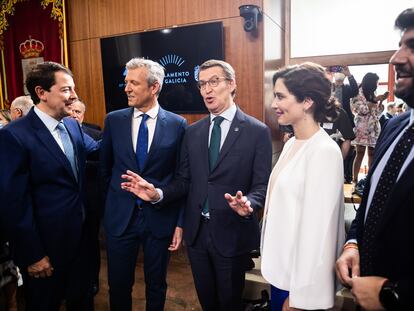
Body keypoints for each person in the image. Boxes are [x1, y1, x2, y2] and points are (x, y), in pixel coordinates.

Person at [121, 59, 272, 310]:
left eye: (214, 82)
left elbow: (262, 186)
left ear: (232, 84)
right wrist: (157, 193)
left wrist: (249, 203)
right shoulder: (193, 132)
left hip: (232, 233)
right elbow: (184, 181)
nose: (207, 90)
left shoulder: (257, 132)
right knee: (207, 302)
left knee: (230, 303)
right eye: (202, 84)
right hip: (198, 235)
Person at [0, 61, 98, 311]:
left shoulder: (74, 126)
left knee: (83, 302)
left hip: (82, 244)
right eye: (66, 90)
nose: (74, 96)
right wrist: (32, 254)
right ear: (41, 93)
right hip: (44, 251)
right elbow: (14, 203)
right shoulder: (14, 135)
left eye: (73, 89)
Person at [336, 8, 414, 310]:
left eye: (412, 46)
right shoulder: (395, 127)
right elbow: (372, 199)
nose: (396, 59)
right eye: (400, 45)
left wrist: (392, 294)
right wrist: (354, 242)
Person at [100, 58, 187, 311]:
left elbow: (181, 178)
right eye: (126, 82)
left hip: (159, 219)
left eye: (134, 83)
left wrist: (179, 222)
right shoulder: (113, 120)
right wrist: (111, 207)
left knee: (157, 285)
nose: (126, 88)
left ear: (154, 87)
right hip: (120, 219)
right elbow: (105, 171)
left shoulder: (177, 124)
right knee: (118, 285)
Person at [260, 63, 344, 311]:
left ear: (307, 101)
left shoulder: (324, 151)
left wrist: (300, 299)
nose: (274, 104)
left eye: (280, 96)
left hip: (301, 285)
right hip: (281, 271)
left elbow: (320, 235)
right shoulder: (291, 144)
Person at [71, 99, 103, 296]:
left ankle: (92, 281)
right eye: (71, 111)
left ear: (82, 114)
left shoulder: (95, 134)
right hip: (67, 204)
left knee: (91, 244)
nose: (74, 115)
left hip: (90, 200)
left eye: (78, 112)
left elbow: (102, 166)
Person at [351, 72, 388, 183]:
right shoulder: (357, 92)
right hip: (362, 126)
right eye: (376, 82)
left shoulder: (373, 92)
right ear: (370, 82)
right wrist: (375, 100)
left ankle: (370, 178)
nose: (377, 84)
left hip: (373, 127)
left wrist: (380, 103)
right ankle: (355, 179)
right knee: (360, 153)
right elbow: (361, 110)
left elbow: (376, 111)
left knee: (372, 153)